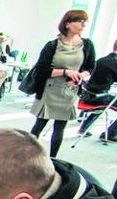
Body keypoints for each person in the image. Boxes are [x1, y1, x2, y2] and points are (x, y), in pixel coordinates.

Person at [29, 9, 96, 156]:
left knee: (59, 129)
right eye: (80, 21)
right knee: (39, 126)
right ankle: (27, 155)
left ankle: (54, 160)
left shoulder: (87, 45)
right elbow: (42, 69)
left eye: (85, 22)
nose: (83, 25)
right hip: (49, 90)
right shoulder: (53, 45)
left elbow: (91, 68)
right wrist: (65, 72)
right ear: (67, 24)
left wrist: (80, 77)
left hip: (69, 91)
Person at [78, 36, 117, 142]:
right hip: (100, 98)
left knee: (104, 99)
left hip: (86, 96)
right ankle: (110, 133)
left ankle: (84, 128)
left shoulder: (100, 60)